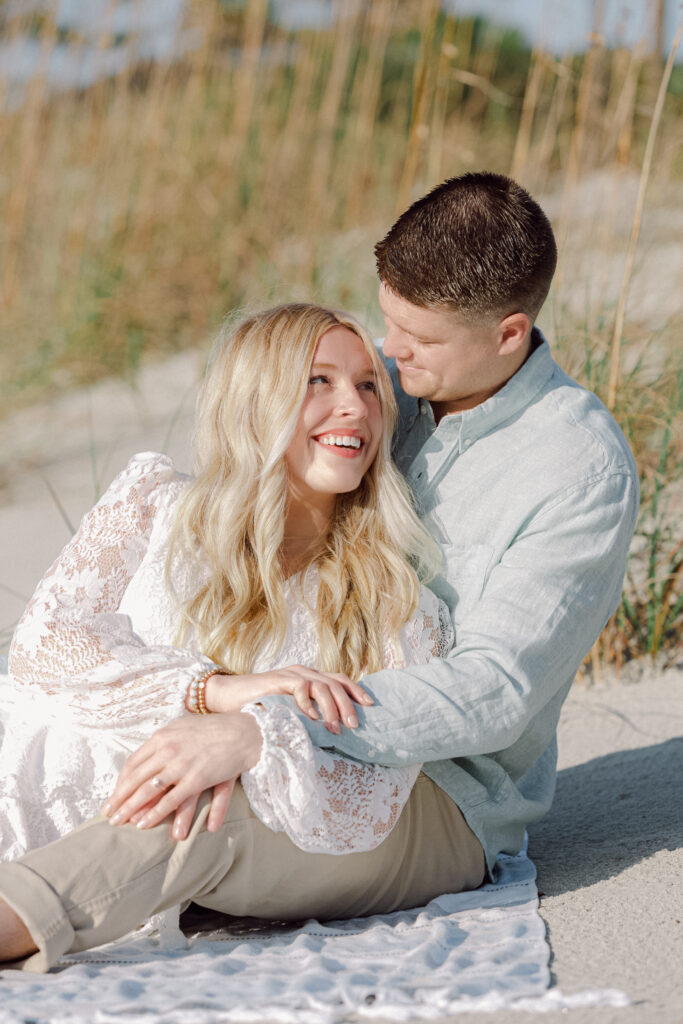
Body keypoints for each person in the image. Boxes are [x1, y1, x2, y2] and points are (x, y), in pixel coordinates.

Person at [0, 302, 484, 972]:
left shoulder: (388, 597)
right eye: (318, 381)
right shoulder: (154, 504)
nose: (355, 406)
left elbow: (370, 781)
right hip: (70, 782)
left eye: (368, 385)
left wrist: (257, 732)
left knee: (194, 805)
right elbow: (44, 646)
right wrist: (216, 692)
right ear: (255, 400)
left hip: (202, 828)